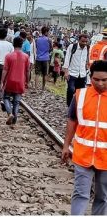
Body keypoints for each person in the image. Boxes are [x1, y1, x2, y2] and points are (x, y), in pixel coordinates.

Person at [61, 60, 107, 215]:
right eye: (96, 80)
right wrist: (66, 146)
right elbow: (72, 121)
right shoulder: (80, 96)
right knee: (80, 194)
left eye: (104, 80)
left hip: (105, 159)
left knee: (103, 197)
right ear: (90, 77)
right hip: (83, 156)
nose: (100, 83)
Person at [0, 37, 30, 126]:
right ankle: (14, 120)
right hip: (20, 82)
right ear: (22, 45)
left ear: (13, 44)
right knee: (17, 102)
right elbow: (28, 71)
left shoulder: (8, 56)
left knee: (6, 98)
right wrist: (27, 81)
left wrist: (2, 82)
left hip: (10, 81)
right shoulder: (26, 57)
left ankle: (10, 114)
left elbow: (5, 70)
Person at [63, 34, 89, 106]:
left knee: (80, 92)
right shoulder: (72, 47)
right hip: (72, 73)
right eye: (83, 41)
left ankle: (77, 108)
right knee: (71, 90)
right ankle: (69, 106)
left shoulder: (87, 48)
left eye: (86, 42)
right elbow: (67, 59)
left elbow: (87, 59)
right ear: (79, 40)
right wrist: (66, 71)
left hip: (82, 74)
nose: (84, 43)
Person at [35, 26, 52, 91]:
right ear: (46, 32)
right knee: (45, 74)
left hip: (38, 58)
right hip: (46, 58)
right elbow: (51, 48)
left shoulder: (37, 39)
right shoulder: (49, 39)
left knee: (37, 73)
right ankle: (43, 88)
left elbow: (36, 47)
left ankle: (35, 88)